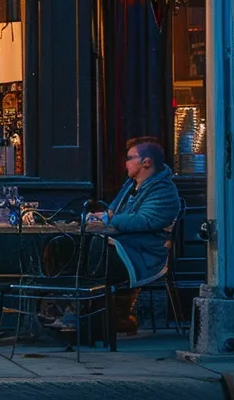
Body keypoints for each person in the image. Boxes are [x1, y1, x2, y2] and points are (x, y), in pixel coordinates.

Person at [89, 136, 183, 334]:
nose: (126, 163)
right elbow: (112, 212)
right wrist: (104, 217)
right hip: (125, 245)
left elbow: (144, 219)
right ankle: (78, 312)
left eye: (130, 158)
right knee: (68, 246)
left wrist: (109, 220)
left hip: (143, 253)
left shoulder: (164, 191)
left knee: (93, 253)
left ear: (146, 162)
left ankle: (101, 318)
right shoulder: (130, 185)